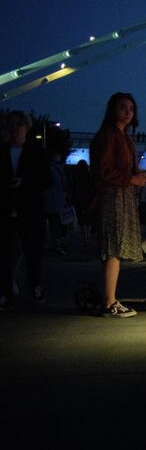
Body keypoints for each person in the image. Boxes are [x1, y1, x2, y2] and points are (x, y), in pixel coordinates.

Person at [89, 93, 146, 318]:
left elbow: (125, 171)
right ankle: (109, 302)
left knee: (116, 248)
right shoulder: (107, 136)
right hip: (112, 196)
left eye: (131, 108)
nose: (128, 112)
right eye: (123, 107)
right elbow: (102, 171)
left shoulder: (125, 137)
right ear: (112, 109)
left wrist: (141, 176)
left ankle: (110, 298)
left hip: (123, 196)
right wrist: (132, 179)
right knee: (113, 248)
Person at [0, 111, 52, 310]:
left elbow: (46, 181)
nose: (14, 131)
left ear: (26, 128)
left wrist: (25, 183)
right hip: (6, 209)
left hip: (29, 209)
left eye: (17, 127)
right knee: (4, 253)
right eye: (11, 127)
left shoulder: (37, 153)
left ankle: (34, 285)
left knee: (33, 252)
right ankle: (6, 291)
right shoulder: (2, 152)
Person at [71, 159, 94, 245]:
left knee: (82, 220)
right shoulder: (89, 177)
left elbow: (74, 191)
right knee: (89, 219)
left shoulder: (76, 177)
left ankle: (85, 237)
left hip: (80, 201)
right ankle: (88, 236)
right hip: (89, 201)